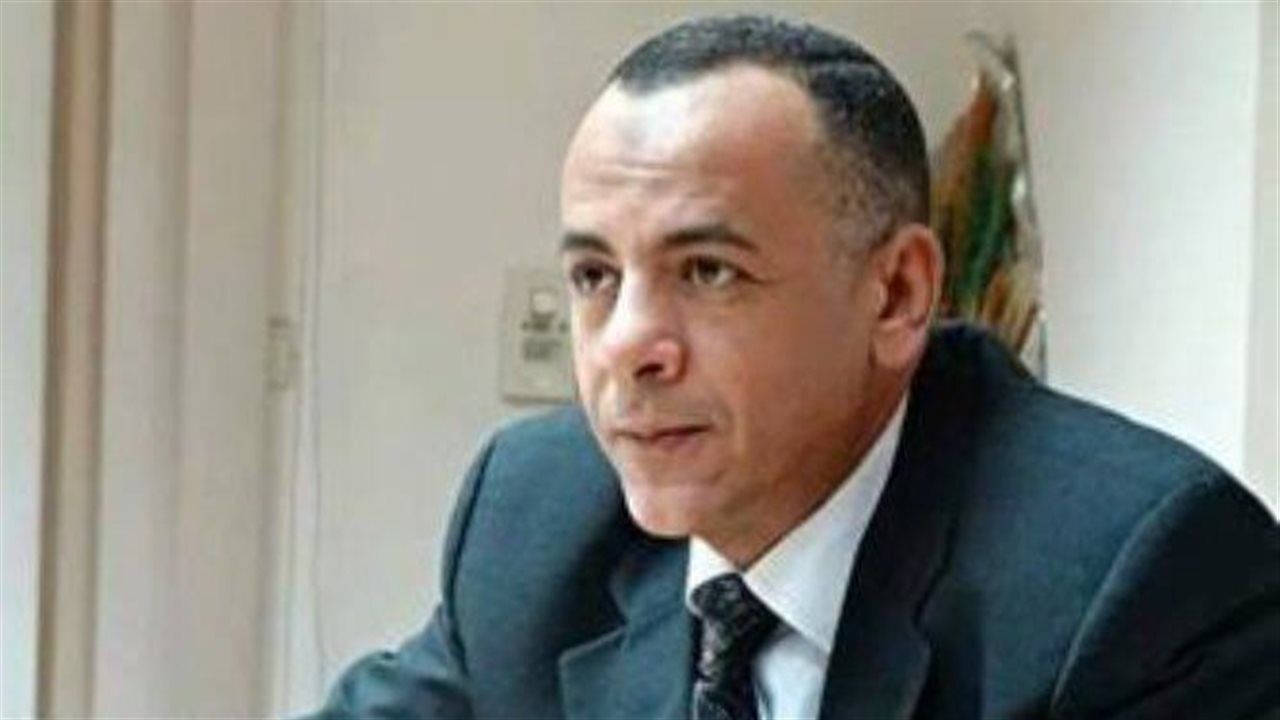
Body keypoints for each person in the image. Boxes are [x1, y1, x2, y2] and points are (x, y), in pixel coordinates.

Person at [306, 14, 1279, 720]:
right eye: (595, 276)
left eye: (708, 271)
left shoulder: (1139, 581)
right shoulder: (536, 516)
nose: (626, 346)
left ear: (895, 294)